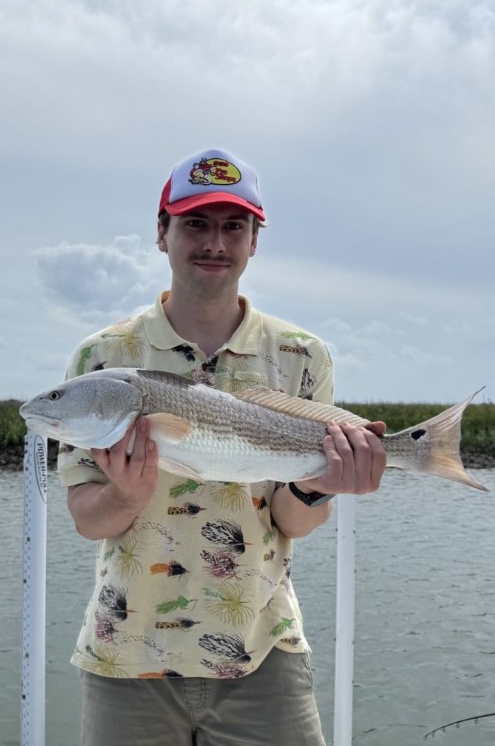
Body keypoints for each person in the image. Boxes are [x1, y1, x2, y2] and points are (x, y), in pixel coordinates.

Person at [58, 148, 387, 746]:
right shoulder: (101, 361)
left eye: (233, 226)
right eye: (195, 224)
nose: (215, 242)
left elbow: (291, 520)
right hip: (126, 651)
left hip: (263, 648)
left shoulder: (301, 356)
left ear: (254, 241)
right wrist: (126, 495)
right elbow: (87, 518)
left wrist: (317, 483)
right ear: (162, 233)